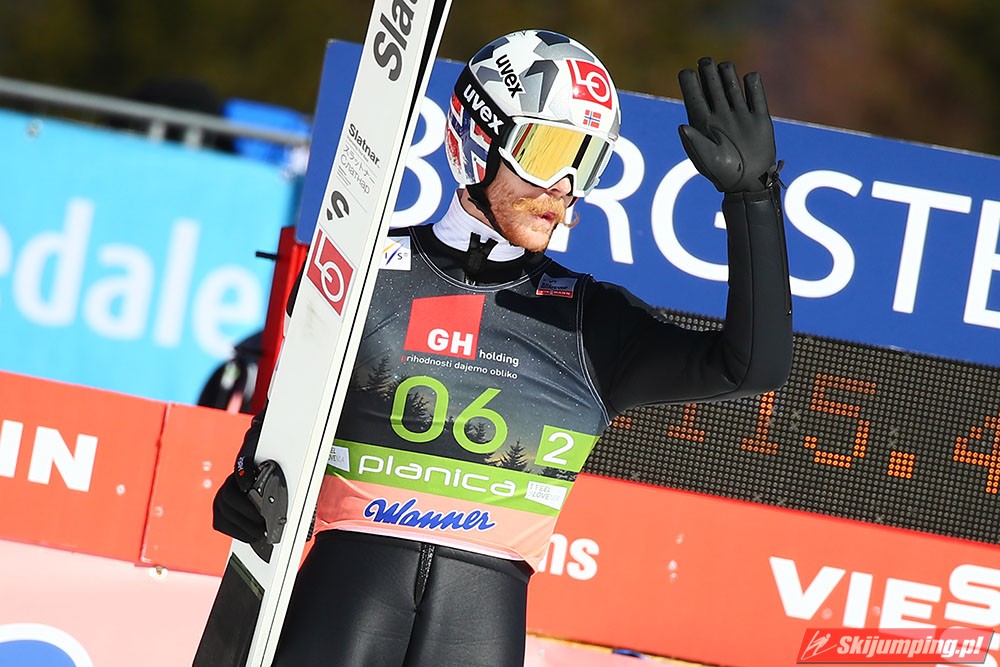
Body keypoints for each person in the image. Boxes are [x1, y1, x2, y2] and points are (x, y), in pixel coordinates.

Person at [212, 29, 792, 667]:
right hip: (340, 608)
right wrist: (249, 482)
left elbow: (752, 366)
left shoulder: (591, 322)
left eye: (587, 163)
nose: (564, 186)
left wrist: (753, 199)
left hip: (479, 625)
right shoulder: (363, 271)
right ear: (477, 137)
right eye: (549, 152)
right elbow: (282, 431)